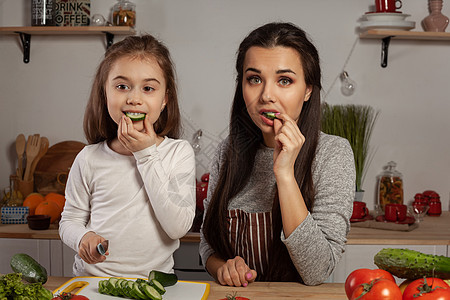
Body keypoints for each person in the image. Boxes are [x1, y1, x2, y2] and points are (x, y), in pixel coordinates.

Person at [199, 22, 355, 286]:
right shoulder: (228, 151)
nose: (266, 95)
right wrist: (222, 268)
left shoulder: (333, 154)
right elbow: (207, 244)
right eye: (254, 79)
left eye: (284, 80)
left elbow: (318, 270)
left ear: (308, 89)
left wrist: (285, 175)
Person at [59, 35, 196, 278]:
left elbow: (178, 228)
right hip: (92, 282)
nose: (134, 98)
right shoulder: (88, 158)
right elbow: (69, 220)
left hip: (152, 286)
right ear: (105, 92)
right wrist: (83, 236)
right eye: (122, 86)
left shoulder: (178, 152)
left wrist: (145, 154)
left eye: (148, 88)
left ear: (164, 99)